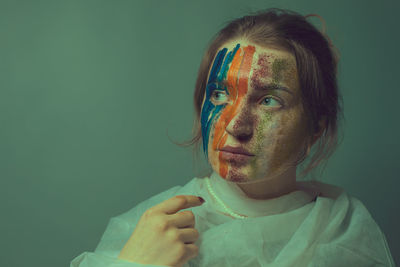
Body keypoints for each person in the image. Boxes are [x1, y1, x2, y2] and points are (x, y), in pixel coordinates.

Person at [70, 8, 395, 267]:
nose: (236, 125)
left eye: (269, 100)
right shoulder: (157, 227)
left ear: (316, 128)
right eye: (219, 95)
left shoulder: (346, 231)